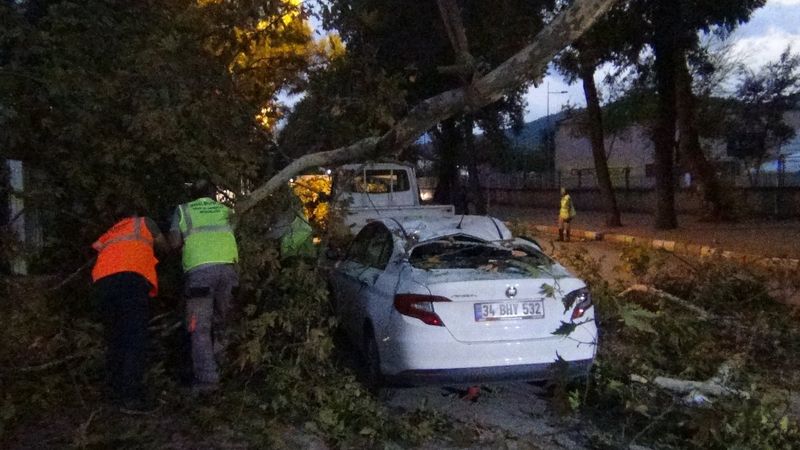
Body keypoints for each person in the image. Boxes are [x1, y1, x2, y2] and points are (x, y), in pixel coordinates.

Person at [91, 200, 167, 413]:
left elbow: (99, 251)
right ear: (136, 213)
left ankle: (114, 393)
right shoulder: (144, 223)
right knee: (134, 338)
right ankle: (131, 397)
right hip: (130, 280)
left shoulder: (111, 232)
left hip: (102, 283)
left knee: (115, 338)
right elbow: (165, 247)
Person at [169, 180, 239, 393]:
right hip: (229, 269)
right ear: (214, 194)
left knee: (199, 327)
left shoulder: (183, 210)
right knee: (225, 320)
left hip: (200, 271)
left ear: (192, 194)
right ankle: (228, 369)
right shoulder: (228, 210)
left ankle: (208, 380)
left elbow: (173, 243)